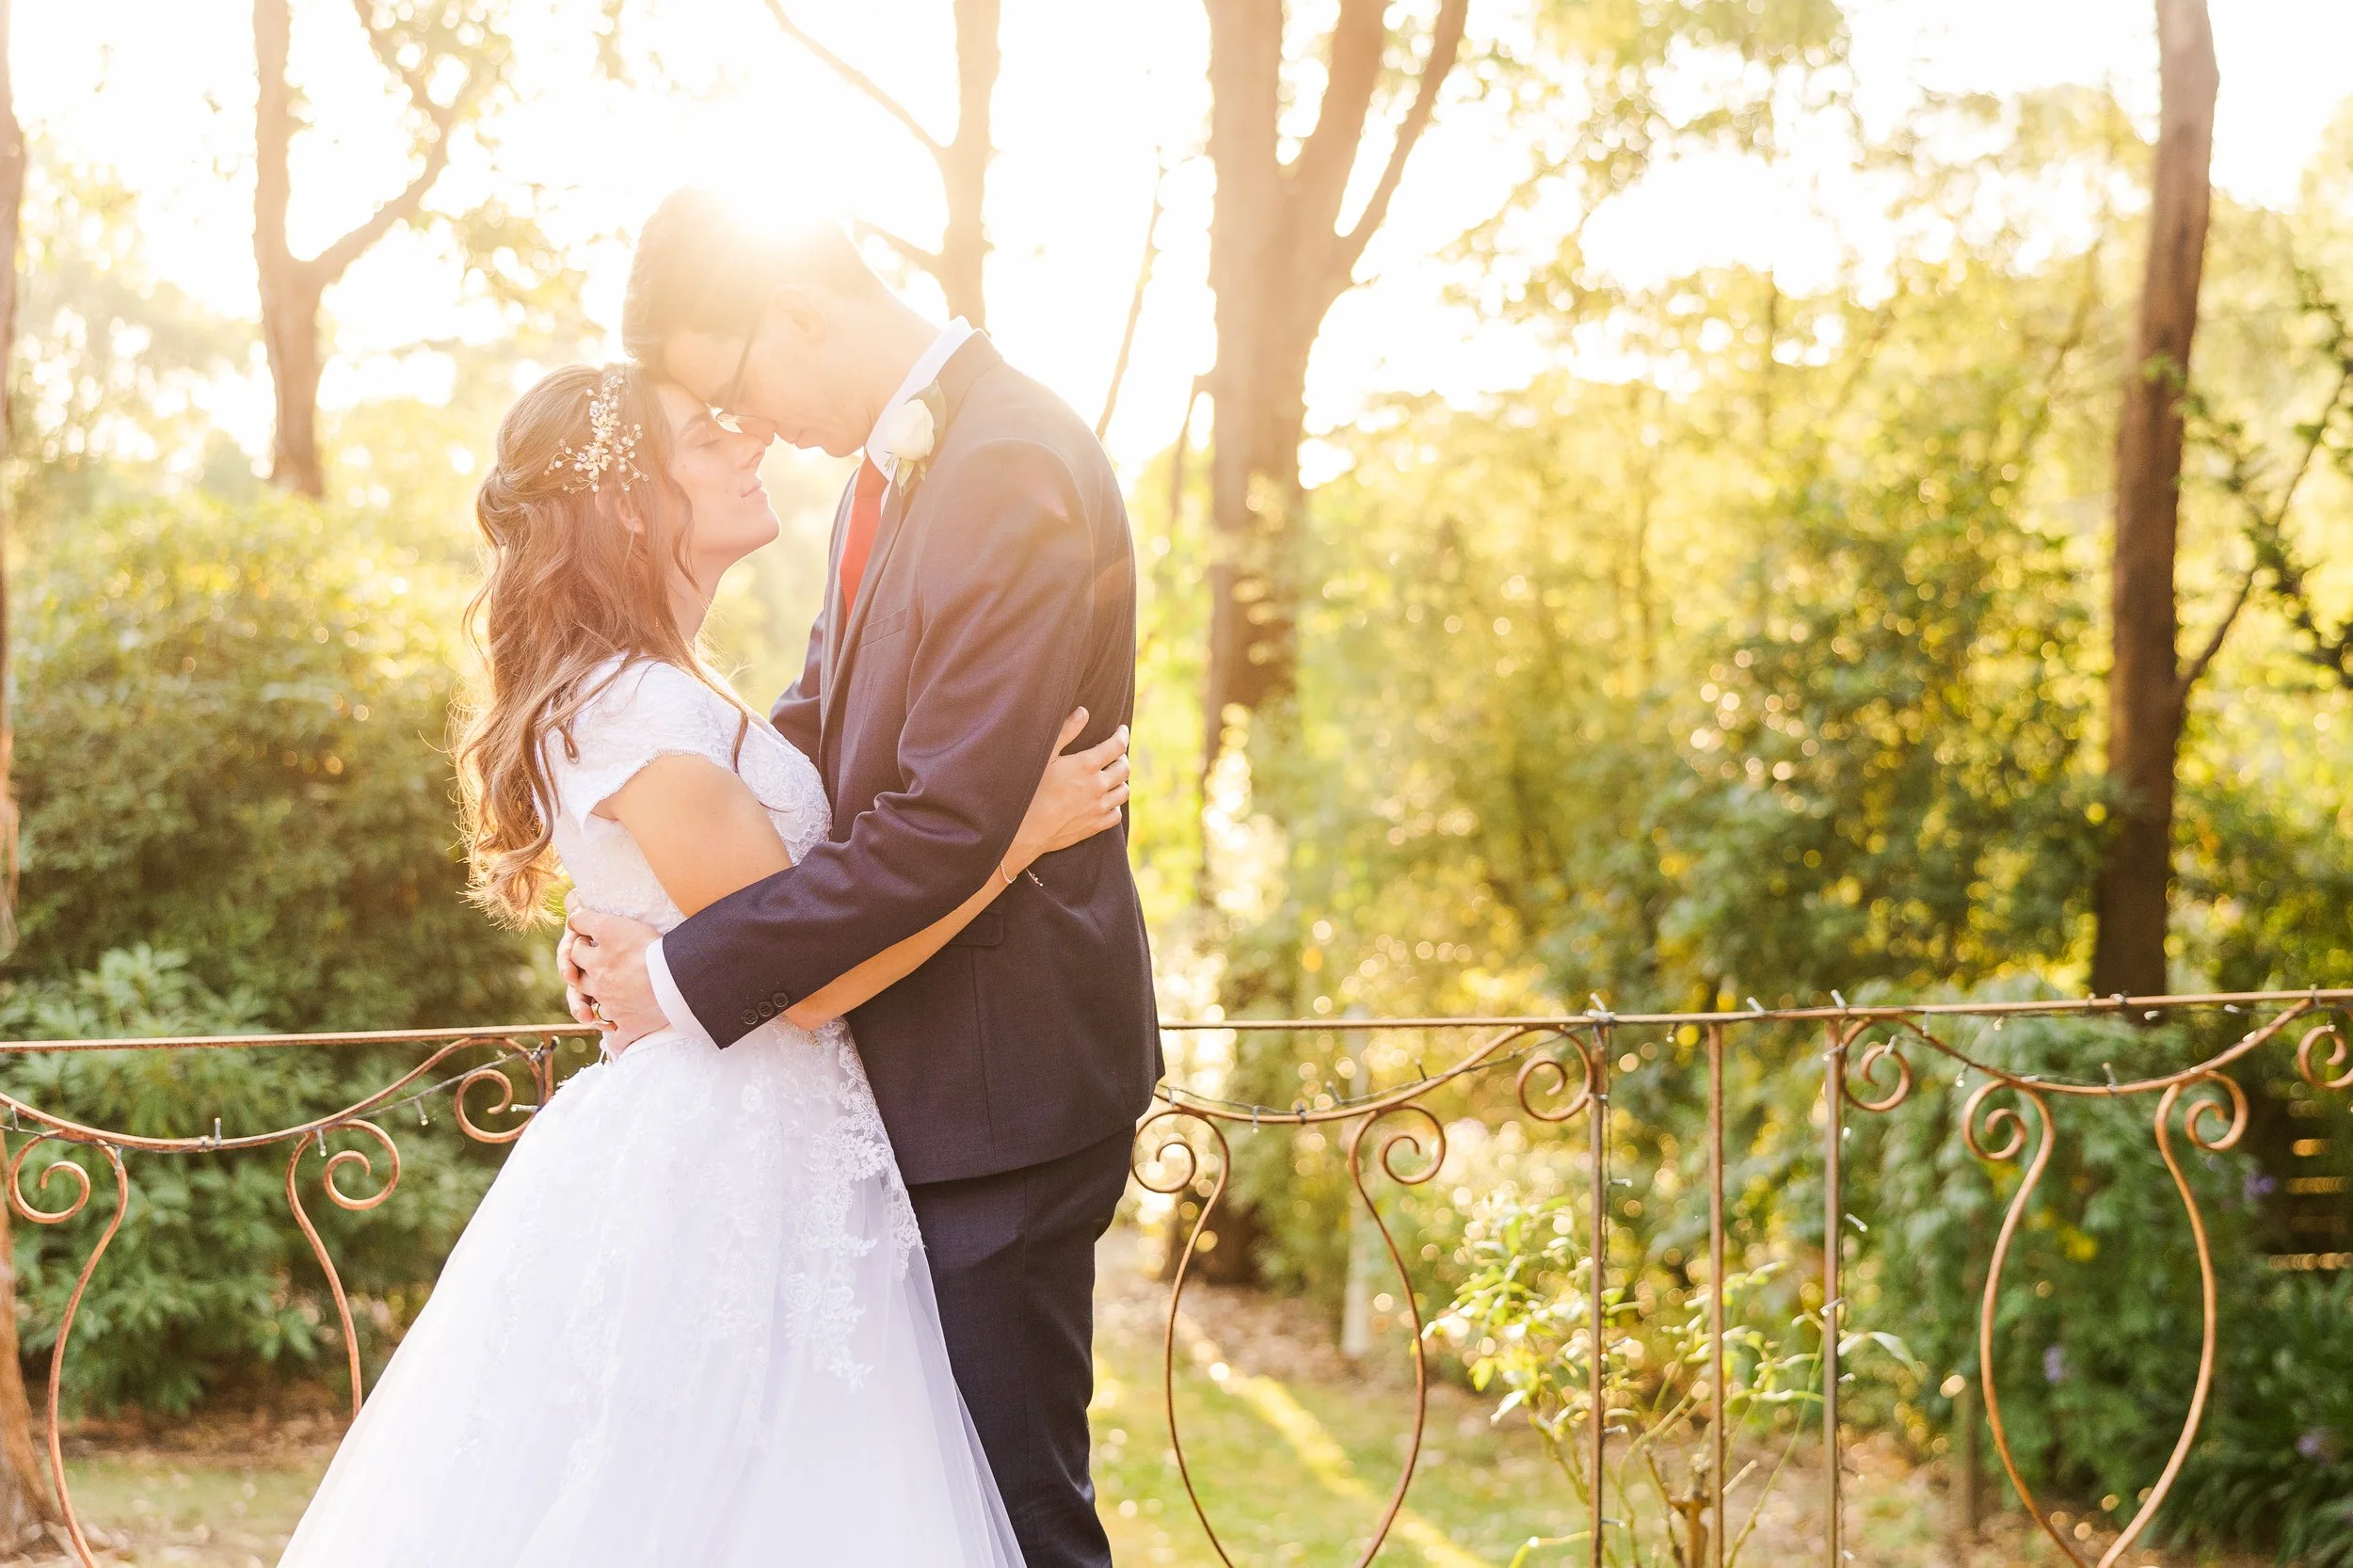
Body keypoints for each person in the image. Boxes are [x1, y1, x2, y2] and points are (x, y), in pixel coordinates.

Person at [276, 360, 1131, 1565]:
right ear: (630, 504)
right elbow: (813, 982)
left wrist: (672, 959)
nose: (747, 442)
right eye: (700, 436)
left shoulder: (676, 689)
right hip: (731, 1149)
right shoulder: (631, 709)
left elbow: (764, 916)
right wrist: (1013, 838)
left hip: (780, 1131)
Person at [567, 190, 1161, 1568]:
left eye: (735, 387)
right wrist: (650, 884)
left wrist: (677, 977)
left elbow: (945, 820)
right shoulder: (889, 482)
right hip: (909, 1081)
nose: (752, 429)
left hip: (998, 1094)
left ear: (800, 311)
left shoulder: (1009, 461)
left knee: (1013, 1522)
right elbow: (815, 741)